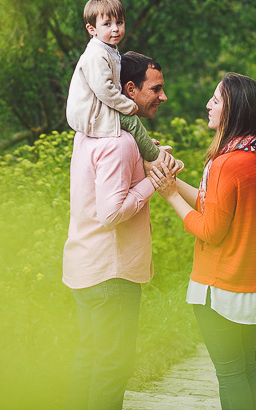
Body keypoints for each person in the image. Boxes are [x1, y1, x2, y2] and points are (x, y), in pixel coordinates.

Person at [149, 73, 256, 410]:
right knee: (248, 369)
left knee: (231, 375)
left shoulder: (226, 164)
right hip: (249, 284)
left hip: (219, 286)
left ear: (234, 110)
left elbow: (210, 229)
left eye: (217, 100)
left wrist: (169, 197)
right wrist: (174, 182)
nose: (208, 105)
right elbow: (217, 207)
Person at [62, 51, 175, 410]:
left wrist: (151, 157)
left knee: (90, 358)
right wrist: (153, 183)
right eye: (156, 88)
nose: (163, 96)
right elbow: (111, 213)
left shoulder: (89, 132)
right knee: (113, 366)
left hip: (85, 266)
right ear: (129, 88)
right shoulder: (120, 143)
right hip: (111, 273)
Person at [65, 0, 163, 165]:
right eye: (107, 24)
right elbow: (105, 90)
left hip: (99, 108)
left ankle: (143, 145)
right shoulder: (96, 55)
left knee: (131, 118)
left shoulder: (108, 50)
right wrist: (128, 105)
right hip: (90, 114)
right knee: (131, 118)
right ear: (92, 29)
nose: (115, 29)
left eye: (120, 22)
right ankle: (155, 158)